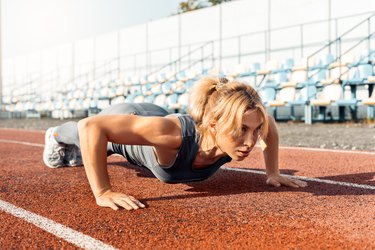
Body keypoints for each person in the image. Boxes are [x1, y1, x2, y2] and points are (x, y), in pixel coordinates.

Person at [43, 76, 307, 211]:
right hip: (135, 117)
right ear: (213, 124)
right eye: (241, 130)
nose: (250, 141)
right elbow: (92, 126)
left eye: (255, 130)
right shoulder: (174, 136)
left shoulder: (249, 127)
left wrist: (273, 173)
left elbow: (268, 125)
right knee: (85, 135)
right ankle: (55, 135)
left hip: (156, 112)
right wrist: (102, 193)